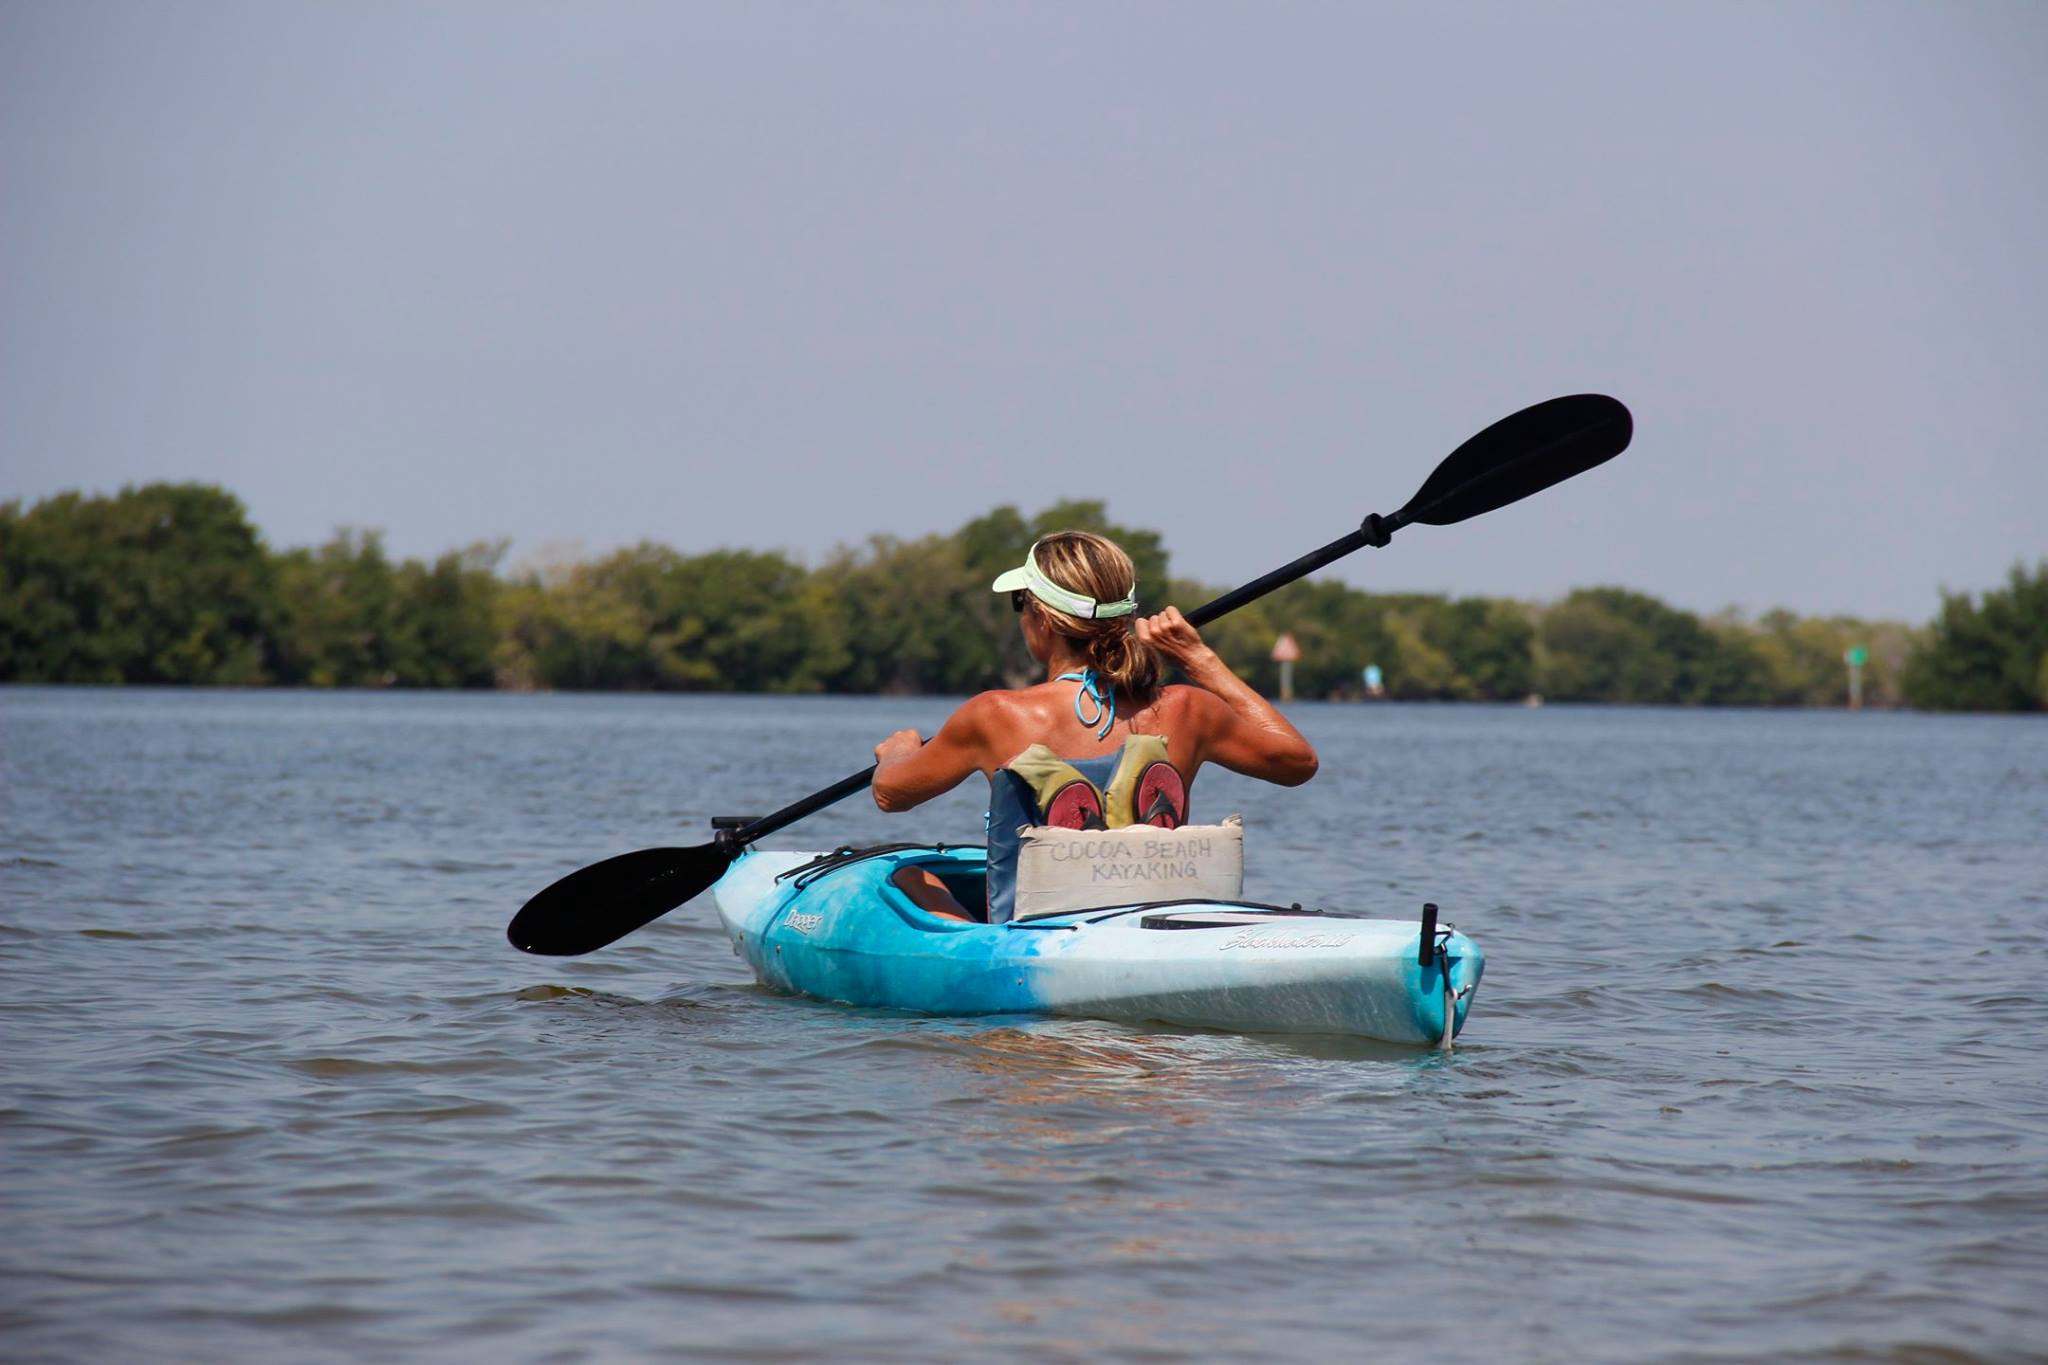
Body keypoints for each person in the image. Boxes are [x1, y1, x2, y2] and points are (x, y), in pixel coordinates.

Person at [871, 530, 1318, 922]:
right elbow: (1297, 763)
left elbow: (891, 794)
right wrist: (1200, 660)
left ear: (1042, 618)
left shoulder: (996, 714)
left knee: (910, 876)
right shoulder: (1188, 708)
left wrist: (898, 750)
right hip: (1154, 921)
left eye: (1021, 603)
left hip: (1034, 935)